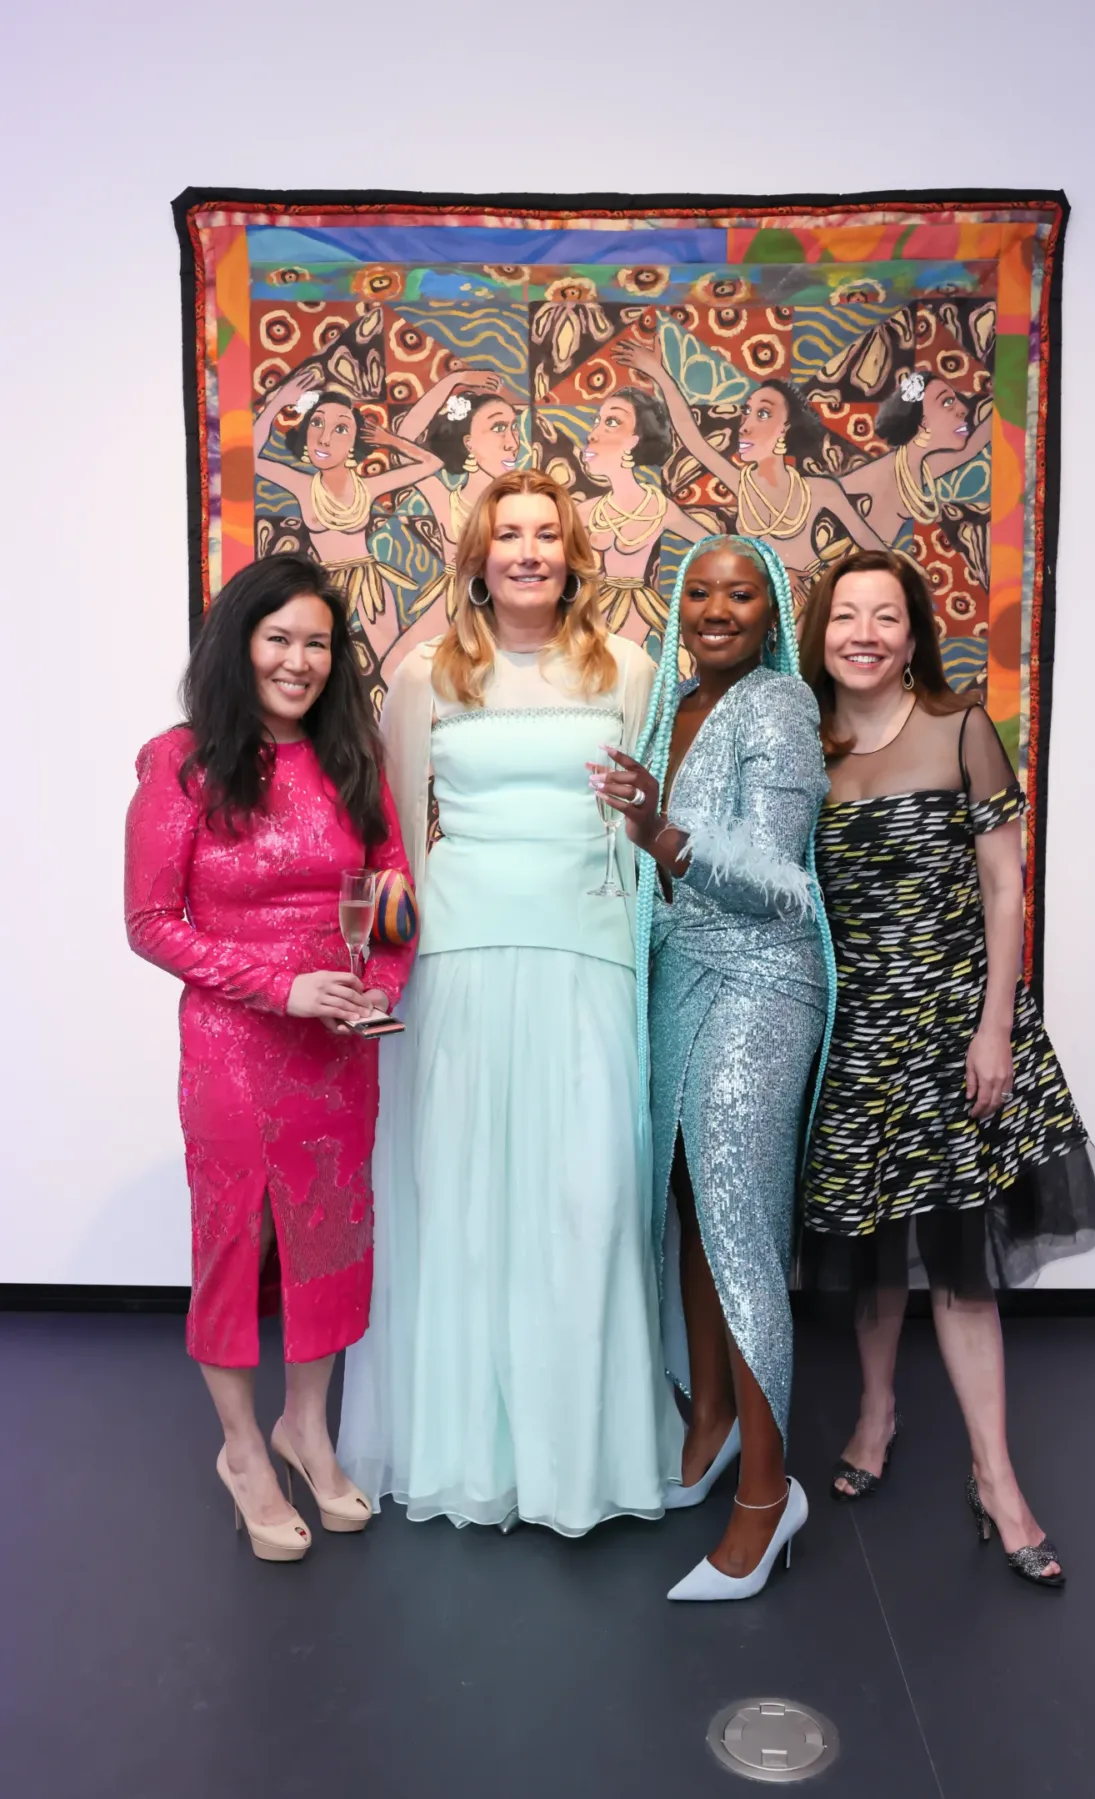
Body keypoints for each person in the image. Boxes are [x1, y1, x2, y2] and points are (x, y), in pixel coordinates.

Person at [338, 470, 683, 1535]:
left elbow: (650, 828)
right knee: (467, 1200)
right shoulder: (426, 673)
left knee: (587, 1199)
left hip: (587, 949)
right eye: (508, 535)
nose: (528, 551)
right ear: (479, 557)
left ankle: (585, 1453)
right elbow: (397, 843)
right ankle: (467, 1449)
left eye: (546, 534)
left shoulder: (627, 669)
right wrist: (386, 975)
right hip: (464, 956)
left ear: (575, 552)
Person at [797, 548, 1095, 1588]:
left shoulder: (960, 728)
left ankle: (997, 1478)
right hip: (852, 1035)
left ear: (912, 632)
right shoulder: (801, 744)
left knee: (957, 1265)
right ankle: (875, 1412)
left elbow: (1002, 887)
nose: (864, 632)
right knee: (870, 1251)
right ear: (820, 632)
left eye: (884, 615)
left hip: (951, 1028)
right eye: (845, 614)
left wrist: (994, 1027)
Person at [125, 556, 417, 1563]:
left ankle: (307, 1426)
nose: (299, 660)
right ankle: (243, 1449)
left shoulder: (352, 755)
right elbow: (152, 922)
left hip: (337, 1048)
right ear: (239, 643)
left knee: (332, 1233)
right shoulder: (182, 762)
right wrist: (277, 984)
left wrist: (380, 984)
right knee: (238, 1239)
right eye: (279, 637)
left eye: (317, 643)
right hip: (235, 1045)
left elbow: (393, 889)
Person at [593, 534, 836, 1602]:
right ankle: (711, 1420)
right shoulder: (671, 706)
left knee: (739, 1224)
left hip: (763, 980)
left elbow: (783, 881)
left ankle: (770, 1497)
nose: (718, 608)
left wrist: (666, 837)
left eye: (741, 592)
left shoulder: (778, 704)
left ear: (771, 608)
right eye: (701, 591)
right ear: (678, 605)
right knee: (688, 1203)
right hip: (679, 971)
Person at [614, 337, 886, 586]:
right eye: (747, 412)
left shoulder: (821, 491)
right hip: (756, 605)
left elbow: (874, 548)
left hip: (807, 605)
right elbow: (692, 438)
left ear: (786, 427)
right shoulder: (741, 485)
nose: (745, 425)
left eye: (764, 414)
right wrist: (660, 374)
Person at [253, 367, 439, 710]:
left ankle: (402, 742)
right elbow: (250, 454)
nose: (325, 438)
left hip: (369, 586)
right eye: (317, 424)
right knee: (320, 674)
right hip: (323, 590)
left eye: (341, 429)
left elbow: (431, 463)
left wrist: (390, 441)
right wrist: (281, 401)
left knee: (394, 670)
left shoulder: (367, 487)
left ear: (354, 443)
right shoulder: (302, 484)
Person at [364, 372, 523, 675]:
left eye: (514, 428)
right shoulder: (444, 498)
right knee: (396, 671)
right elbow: (407, 438)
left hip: (509, 617)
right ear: (468, 443)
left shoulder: (522, 506)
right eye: (498, 428)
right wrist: (453, 381)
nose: (512, 443)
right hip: (453, 606)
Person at [575, 385, 703, 644]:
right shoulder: (586, 511)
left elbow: (716, 544)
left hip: (639, 609)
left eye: (611, 422)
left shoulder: (659, 507)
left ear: (634, 441)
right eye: (597, 421)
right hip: (598, 605)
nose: (593, 434)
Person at [840, 368, 992, 544]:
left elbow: (972, 448)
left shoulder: (924, 465)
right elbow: (828, 493)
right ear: (922, 421)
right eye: (947, 401)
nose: (963, 409)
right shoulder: (881, 473)